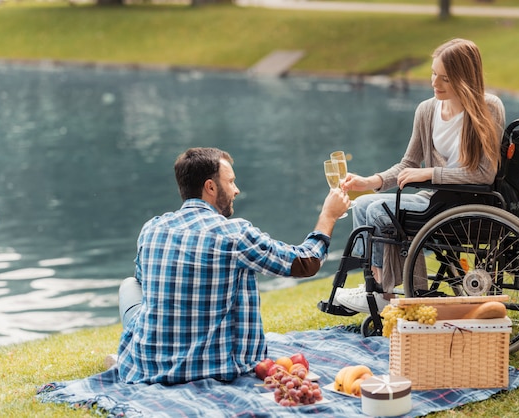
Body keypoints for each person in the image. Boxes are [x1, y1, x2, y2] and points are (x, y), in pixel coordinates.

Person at [115, 147, 350, 384]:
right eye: (231, 182)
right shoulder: (235, 234)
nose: (236, 190)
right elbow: (306, 263)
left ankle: (147, 348)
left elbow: (144, 283)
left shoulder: (152, 228)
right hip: (216, 366)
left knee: (130, 285)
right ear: (210, 187)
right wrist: (328, 216)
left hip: (147, 365)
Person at [335, 38, 506, 314]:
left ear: (464, 79)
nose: (434, 83)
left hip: (468, 204)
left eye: (445, 78)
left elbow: (485, 173)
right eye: (433, 74)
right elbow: (408, 163)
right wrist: (371, 182)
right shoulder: (427, 110)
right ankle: (378, 285)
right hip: (435, 200)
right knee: (364, 203)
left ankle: (388, 294)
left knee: (380, 210)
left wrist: (431, 172)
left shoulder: (489, 108)